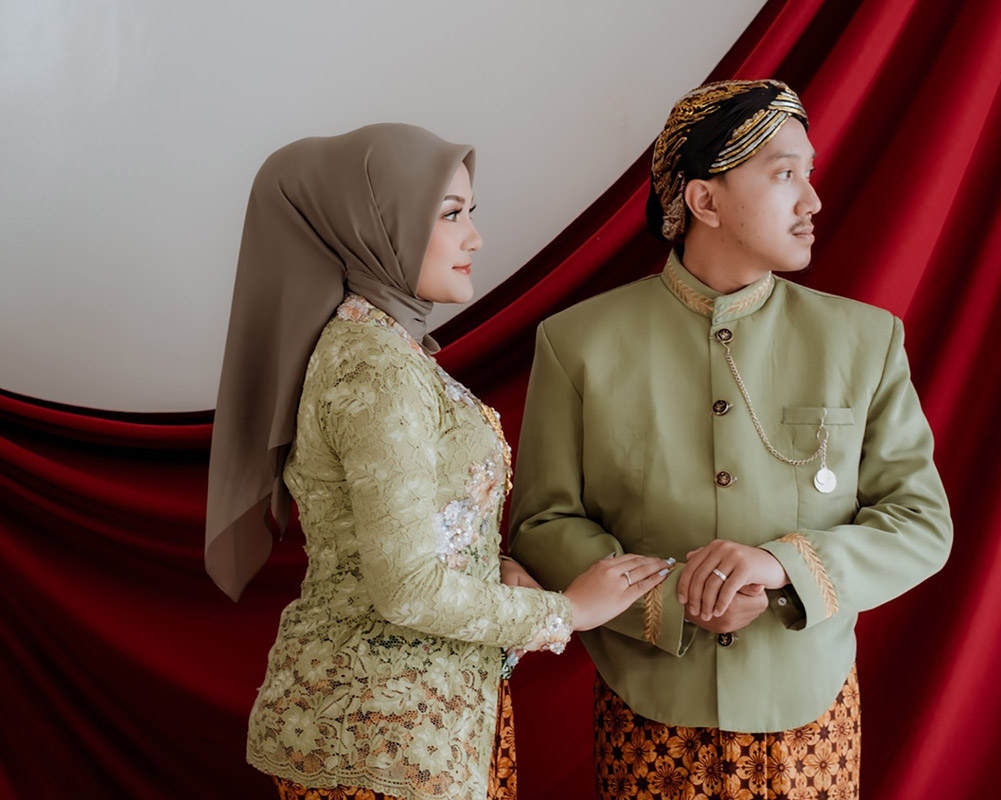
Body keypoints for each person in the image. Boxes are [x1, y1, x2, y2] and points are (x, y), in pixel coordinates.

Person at [508, 79, 953, 799]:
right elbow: (542, 523)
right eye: (784, 174)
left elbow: (920, 524)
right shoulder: (577, 343)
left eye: (809, 173)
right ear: (704, 201)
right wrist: (671, 597)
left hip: (810, 715)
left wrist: (782, 566)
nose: (812, 201)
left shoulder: (864, 341)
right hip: (648, 713)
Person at [204, 123, 669, 800]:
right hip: (383, 738)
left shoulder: (386, 347)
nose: (474, 238)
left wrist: (486, 565)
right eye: (450, 214)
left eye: (470, 213)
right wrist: (567, 612)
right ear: (376, 225)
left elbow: (408, 535)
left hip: (420, 724)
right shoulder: (375, 367)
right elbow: (407, 590)